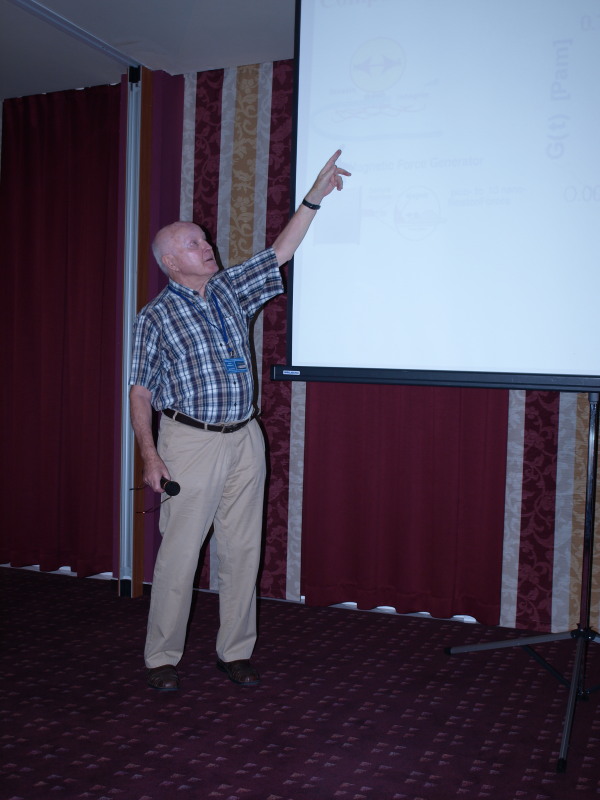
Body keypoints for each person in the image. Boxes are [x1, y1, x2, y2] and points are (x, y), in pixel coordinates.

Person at [129, 150, 351, 691]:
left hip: (245, 438)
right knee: (181, 555)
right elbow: (140, 390)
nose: (207, 245)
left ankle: (235, 651)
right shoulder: (155, 317)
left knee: (242, 549)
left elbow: (281, 252)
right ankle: (162, 658)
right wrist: (150, 455)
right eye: (194, 243)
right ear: (171, 262)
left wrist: (313, 198)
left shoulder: (229, 289)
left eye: (204, 239)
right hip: (190, 443)